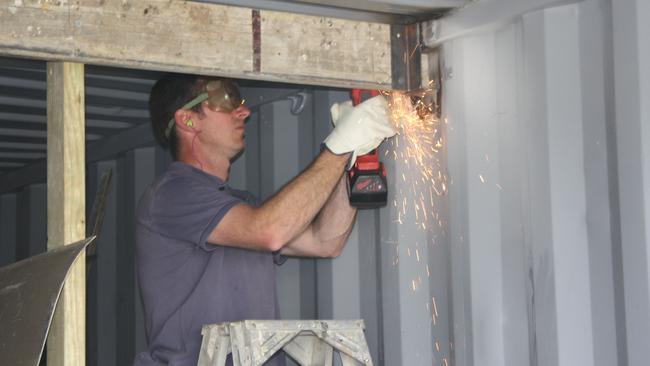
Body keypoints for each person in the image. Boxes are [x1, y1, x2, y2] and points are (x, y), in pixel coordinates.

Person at [133, 73, 396, 365]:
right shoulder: (171, 194)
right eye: (226, 99)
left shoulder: (241, 207)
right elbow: (270, 231)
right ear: (188, 120)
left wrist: (354, 154)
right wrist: (339, 145)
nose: (244, 111)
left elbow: (325, 241)